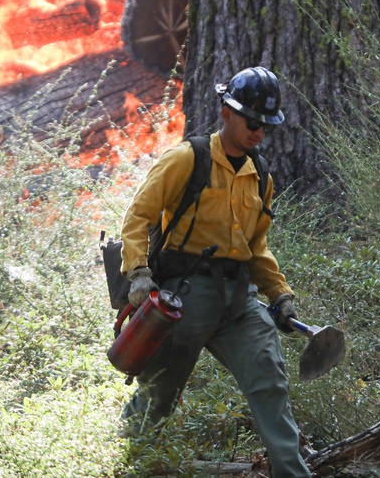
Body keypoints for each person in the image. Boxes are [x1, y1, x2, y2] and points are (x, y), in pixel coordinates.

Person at [119, 66, 311, 477]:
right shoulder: (187, 159)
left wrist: (279, 293)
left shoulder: (260, 176)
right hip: (185, 296)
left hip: (240, 299)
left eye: (266, 125)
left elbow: (256, 245)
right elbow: (139, 216)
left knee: (269, 381)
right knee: (158, 393)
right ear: (227, 112)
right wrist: (138, 273)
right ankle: (124, 463)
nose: (259, 131)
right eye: (252, 121)